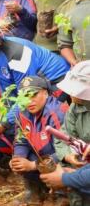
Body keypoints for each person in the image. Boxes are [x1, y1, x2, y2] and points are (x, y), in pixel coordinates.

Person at [0, 18, 70, 146]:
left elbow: (26, 95)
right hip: (27, 89)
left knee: (43, 124)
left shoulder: (17, 53)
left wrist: (3, 124)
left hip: (56, 82)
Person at [9, 76, 68, 205]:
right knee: (22, 159)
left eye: (33, 94)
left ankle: (61, 194)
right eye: (24, 96)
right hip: (42, 156)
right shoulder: (23, 112)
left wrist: (32, 165)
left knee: (60, 158)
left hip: (62, 160)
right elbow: (21, 140)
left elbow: (65, 152)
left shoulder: (57, 113)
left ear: (45, 93)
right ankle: (35, 191)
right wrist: (18, 158)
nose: (29, 101)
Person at [41, 61, 90, 205]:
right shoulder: (75, 107)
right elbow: (63, 136)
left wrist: (65, 179)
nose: (71, 94)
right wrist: (69, 156)